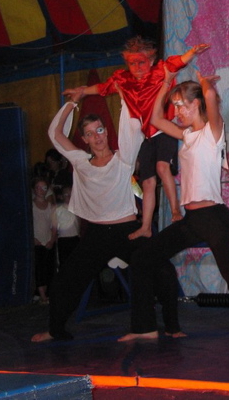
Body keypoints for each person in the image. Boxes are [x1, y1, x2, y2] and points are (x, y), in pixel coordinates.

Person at [118, 67, 229, 345]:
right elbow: (155, 119)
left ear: (196, 103)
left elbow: (211, 99)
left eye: (182, 105)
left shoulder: (213, 133)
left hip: (214, 217)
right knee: (143, 258)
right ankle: (145, 326)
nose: (177, 111)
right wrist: (166, 85)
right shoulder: (187, 136)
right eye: (176, 106)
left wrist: (205, 86)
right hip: (192, 220)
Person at [32, 92, 180, 342]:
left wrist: (123, 94)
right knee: (65, 281)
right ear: (84, 139)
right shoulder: (80, 161)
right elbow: (55, 134)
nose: (97, 137)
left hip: (127, 231)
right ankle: (55, 329)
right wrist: (72, 103)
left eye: (99, 130)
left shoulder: (123, 159)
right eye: (90, 133)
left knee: (163, 270)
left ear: (106, 131)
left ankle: (172, 327)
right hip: (97, 235)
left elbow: (132, 125)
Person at [63, 36, 209, 240]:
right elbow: (102, 88)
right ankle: (146, 226)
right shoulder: (124, 80)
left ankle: (175, 210)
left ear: (150, 60)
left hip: (163, 129)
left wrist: (191, 53)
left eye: (141, 62)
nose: (137, 67)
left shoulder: (158, 72)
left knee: (162, 168)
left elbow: (175, 63)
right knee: (147, 183)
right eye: (132, 63)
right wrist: (81, 92)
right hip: (143, 136)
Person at [32, 177, 56, 305]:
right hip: (37, 242)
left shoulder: (51, 207)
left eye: (43, 188)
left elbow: (54, 226)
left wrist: (52, 240)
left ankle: (47, 294)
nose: (40, 190)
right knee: (39, 269)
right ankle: (42, 296)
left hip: (48, 241)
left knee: (48, 268)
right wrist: (33, 239)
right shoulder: (31, 206)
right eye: (38, 187)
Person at [51, 185, 80, 271]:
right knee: (64, 262)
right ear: (61, 197)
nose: (69, 197)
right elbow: (54, 226)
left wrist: (78, 234)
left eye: (71, 194)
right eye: (66, 194)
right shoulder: (58, 210)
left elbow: (78, 222)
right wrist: (53, 238)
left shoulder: (76, 209)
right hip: (63, 239)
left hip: (75, 238)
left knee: (75, 262)